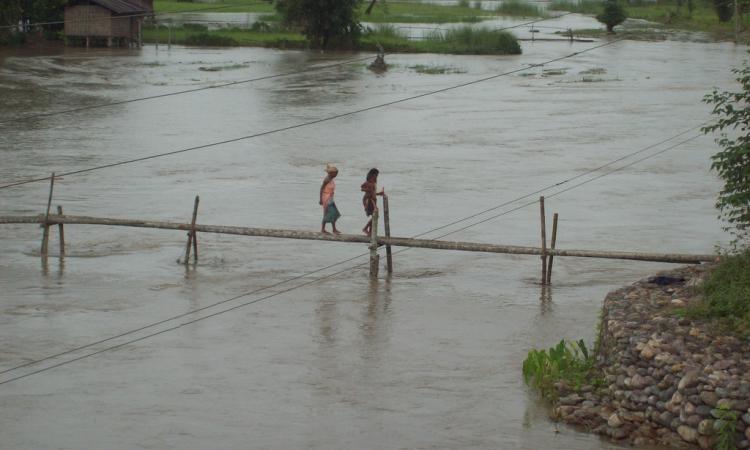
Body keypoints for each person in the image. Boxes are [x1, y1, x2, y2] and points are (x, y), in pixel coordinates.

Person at [361, 168, 384, 236]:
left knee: (374, 215)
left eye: (377, 175)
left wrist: (379, 193)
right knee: (375, 215)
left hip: (373, 200)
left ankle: (371, 231)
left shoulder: (373, 183)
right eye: (375, 175)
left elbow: (373, 193)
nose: (376, 177)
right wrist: (367, 190)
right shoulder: (368, 182)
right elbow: (362, 188)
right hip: (369, 200)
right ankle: (365, 228)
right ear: (371, 175)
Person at [319, 164, 341, 235]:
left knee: (334, 213)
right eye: (335, 173)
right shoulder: (327, 179)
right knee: (329, 213)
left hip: (330, 197)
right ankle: (323, 229)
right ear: (331, 173)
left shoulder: (331, 179)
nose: (336, 174)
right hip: (326, 197)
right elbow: (321, 189)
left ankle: (334, 229)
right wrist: (320, 200)